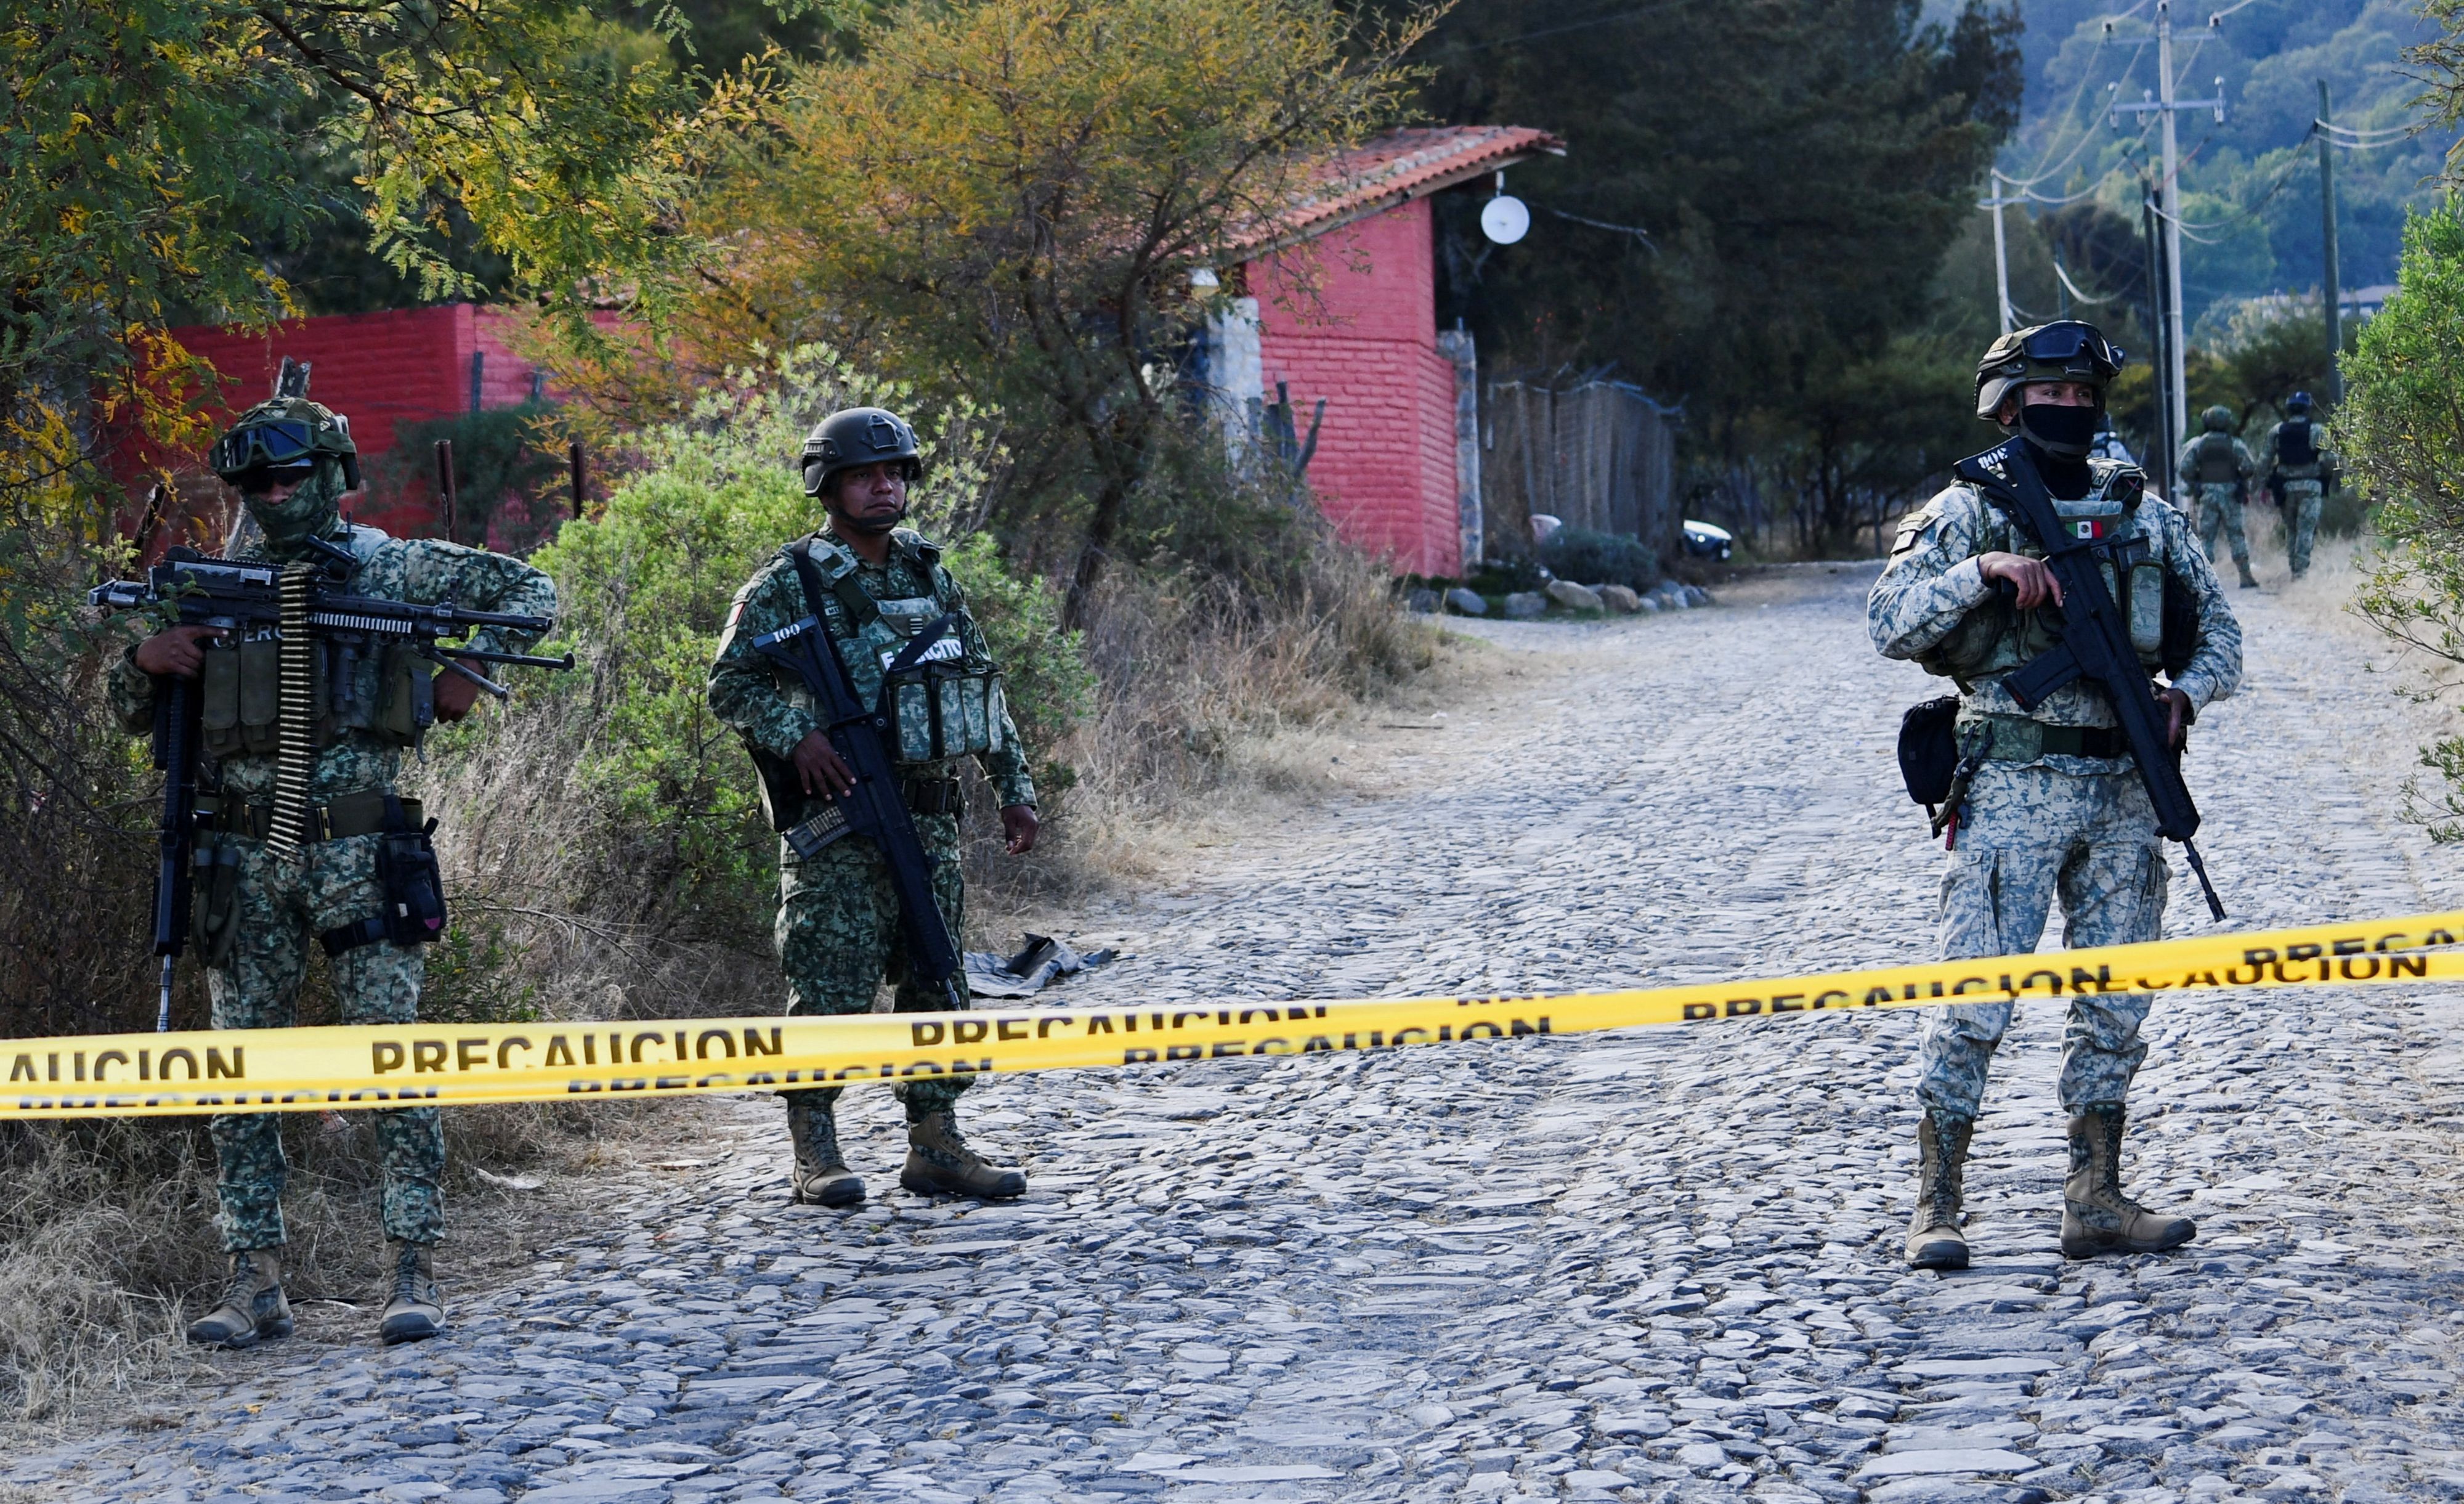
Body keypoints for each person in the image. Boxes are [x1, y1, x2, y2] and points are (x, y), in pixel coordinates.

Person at [107, 384, 557, 1348]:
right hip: (242, 852)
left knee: (391, 1060)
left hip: (361, 848)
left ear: (335, 478)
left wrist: (463, 675)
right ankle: (254, 1279)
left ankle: (412, 1267)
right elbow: (127, 703)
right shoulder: (204, 581)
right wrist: (151, 655)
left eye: (291, 475)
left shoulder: (390, 565)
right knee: (242, 1074)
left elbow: (534, 597)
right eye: (255, 481)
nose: (272, 494)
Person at [1869, 321, 2243, 1269]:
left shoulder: (2142, 515)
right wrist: (1984, 571)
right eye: (2051, 396)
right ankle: (1938, 1205)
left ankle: (2096, 1198)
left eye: (2084, 398)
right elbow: (1888, 620)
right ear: (2007, 406)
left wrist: (2184, 694)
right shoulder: (1969, 513)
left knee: (2115, 997)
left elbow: (2222, 638)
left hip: (2123, 788)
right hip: (2013, 785)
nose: (2070, 412)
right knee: (1974, 997)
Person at [708, 406, 1040, 1207]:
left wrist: (1015, 786)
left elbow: (978, 685)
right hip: (841, 823)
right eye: (866, 474)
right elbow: (731, 683)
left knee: (936, 975)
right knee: (829, 984)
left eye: (895, 473)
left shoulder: (929, 573)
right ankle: (814, 1151)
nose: (885, 486)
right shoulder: (791, 581)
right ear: (831, 486)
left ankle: (935, 1142)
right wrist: (800, 737)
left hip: (926, 818)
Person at [2258, 391, 2342, 580]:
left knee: (2292, 529)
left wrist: (2261, 486)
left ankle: (2293, 567)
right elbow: (2331, 460)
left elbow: (2264, 461)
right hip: (2311, 488)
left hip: (2285, 489)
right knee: (2306, 530)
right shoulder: (2318, 431)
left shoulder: (2277, 431)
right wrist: (2326, 474)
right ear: (2307, 409)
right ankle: (2300, 573)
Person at [2176, 405, 2260, 589]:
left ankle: (2202, 581)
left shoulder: (2198, 444)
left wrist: (2197, 482)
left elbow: (2184, 468)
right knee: (2236, 535)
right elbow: (2249, 467)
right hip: (2230, 494)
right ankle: (2246, 577)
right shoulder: (2235, 444)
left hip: (2207, 495)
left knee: (2206, 538)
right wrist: (2238, 480)